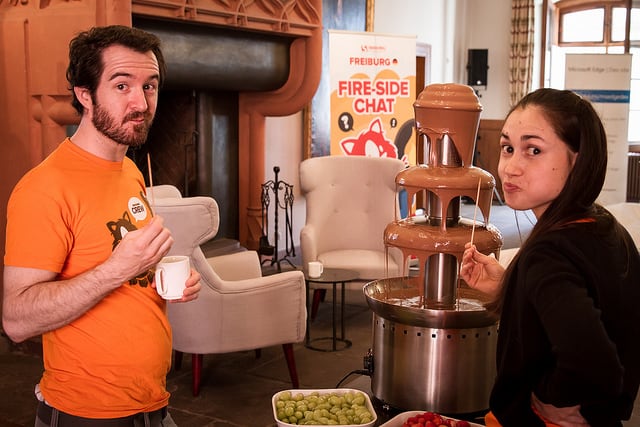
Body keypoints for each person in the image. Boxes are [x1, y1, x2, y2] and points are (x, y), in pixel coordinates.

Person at [2, 25, 201, 426]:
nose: (141, 102)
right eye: (122, 85)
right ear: (85, 95)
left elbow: (118, 263)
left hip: (151, 405)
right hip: (87, 414)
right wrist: (117, 269)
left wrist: (158, 276)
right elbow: (16, 319)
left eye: (150, 86)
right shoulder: (44, 187)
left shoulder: (128, 171)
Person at [460, 88, 640, 427]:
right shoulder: (604, 225)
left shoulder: (549, 253)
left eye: (533, 150)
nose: (510, 167)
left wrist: (545, 394)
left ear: (578, 159)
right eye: (508, 148)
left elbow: (598, 368)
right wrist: (509, 287)